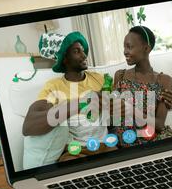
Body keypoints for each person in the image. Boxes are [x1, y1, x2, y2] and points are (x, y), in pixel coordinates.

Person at [22, 31, 114, 164]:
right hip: (76, 151)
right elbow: (28, 127)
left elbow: (115, 112)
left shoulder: (99, 79)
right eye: (77, 51)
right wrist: (80, 104)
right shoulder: (54, 87)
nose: (84, 55)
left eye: (83, 50)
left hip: (106, 146)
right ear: (64, 58)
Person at [111, 26, 172, 147]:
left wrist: (130, 109)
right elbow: (113, 116)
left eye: (129, 47)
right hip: (125, 137)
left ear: (146, 48)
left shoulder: (164, 80)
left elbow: (159, 124)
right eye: (124, 47)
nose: (125, 51)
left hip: (152, 137)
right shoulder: (120, 75)